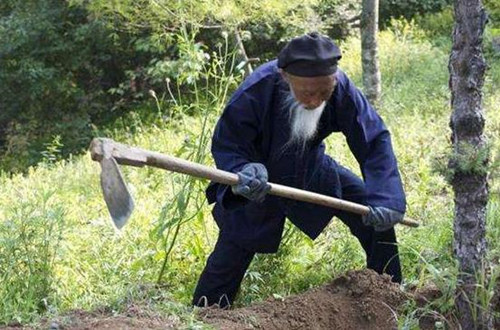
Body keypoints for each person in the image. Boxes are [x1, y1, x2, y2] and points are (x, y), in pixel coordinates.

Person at [192, 32, 406, 308]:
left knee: (373, 215)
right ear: (285, 77)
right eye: (307, 93)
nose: (316, 100)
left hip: (310, 168)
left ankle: (390, 296)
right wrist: (242, 169)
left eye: (324, 93)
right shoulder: (256, 90)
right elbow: (229, 141)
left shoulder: (340, 87)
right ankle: (204, 314)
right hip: (257, 180)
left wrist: (387, 197)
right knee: (233, 248)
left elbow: (373, 139)